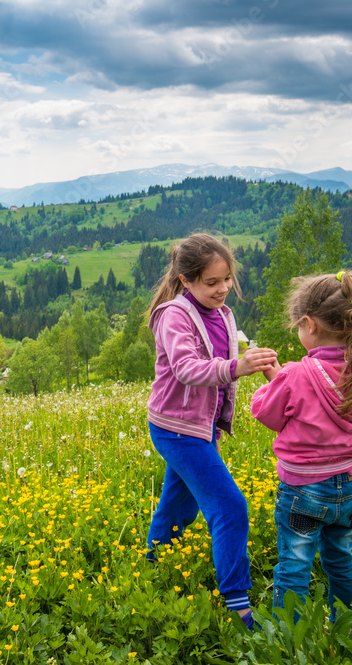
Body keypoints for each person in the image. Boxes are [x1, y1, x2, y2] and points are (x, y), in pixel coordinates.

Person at [145, 233, 278, 630]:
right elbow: (187, 369)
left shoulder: (221, 314)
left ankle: (151, 569)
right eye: (211, 282)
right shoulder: (175, 315)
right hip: (176, 429)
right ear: (186, 280)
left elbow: (223, 358)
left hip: (200, 427)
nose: (222, 289)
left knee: (178, 505)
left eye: (227, 279)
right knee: (230, 508)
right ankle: (239, 606)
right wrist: (238, 367)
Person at [250, 270, 352, 621]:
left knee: (295, 565)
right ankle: (345, 624)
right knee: (342, 558)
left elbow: (267, 413)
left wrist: (273, 381)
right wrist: (283, 380)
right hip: (350, 488)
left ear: (309, 324)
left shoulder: (296, 374)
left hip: (304, 491)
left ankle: (291, 638)